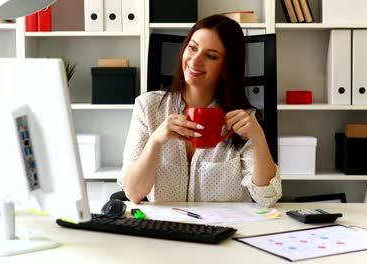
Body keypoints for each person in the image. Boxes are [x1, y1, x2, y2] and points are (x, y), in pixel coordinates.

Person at [118, 14, 282, 206]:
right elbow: (133, 194)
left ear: (226, 68)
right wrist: (156, 140)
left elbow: (267, 197)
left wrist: (259, 138)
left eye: (211, 56)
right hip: (167, 231)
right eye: (193, 48)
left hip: (225, 229)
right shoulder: (148, 107)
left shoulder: (242, 119)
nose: (195, 60)